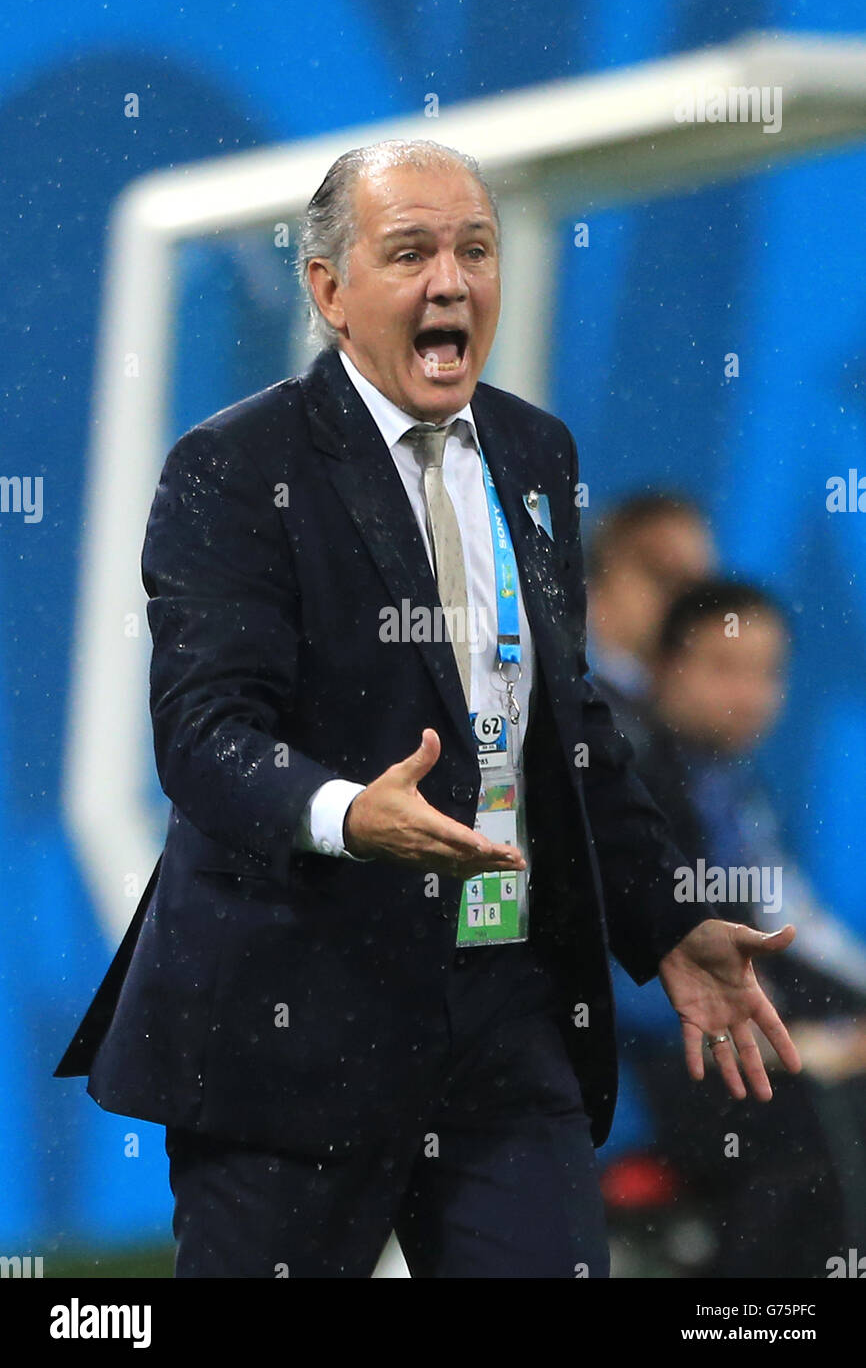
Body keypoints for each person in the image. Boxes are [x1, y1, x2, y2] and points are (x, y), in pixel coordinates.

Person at [55, 139, 801, 1279]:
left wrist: (661, 920)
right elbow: (204, 737)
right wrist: (352, 813)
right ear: (328, 290)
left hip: (504, 1010)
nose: (450, 280)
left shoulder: (533, 452)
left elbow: (572, 733)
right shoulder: (231, 466)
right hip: (294, 1017)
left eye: (474, 249)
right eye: (409, 253)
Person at [614, 578, 866, 1276]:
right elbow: (632, 967)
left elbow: (787, 938)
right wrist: (804, 1042)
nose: (750, 694)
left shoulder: (736, 788)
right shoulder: (625, 783)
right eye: (725, 668)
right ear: (663, 669)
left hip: (739, 1033)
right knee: (804, 1129)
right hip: (659, 1054)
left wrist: (843, 1026)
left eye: (767, 673)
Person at [585, 493, 716, 755]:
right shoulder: (570, 714)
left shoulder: (703, 735)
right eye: (663, 577)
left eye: (697, 590)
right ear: (595, 584)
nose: (684, 603)